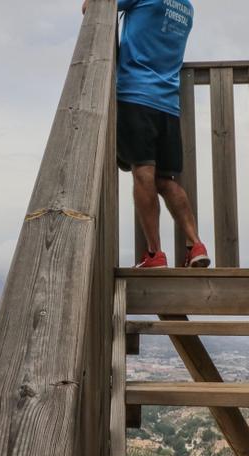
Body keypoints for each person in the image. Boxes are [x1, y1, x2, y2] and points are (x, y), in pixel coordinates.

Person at [85, 0, 209, 268]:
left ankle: (154, 254)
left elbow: (92, 7)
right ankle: (196, 244)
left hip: (136, 95)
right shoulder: (187, 8)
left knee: (143, 173)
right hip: (169, 103)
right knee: (166, 180)